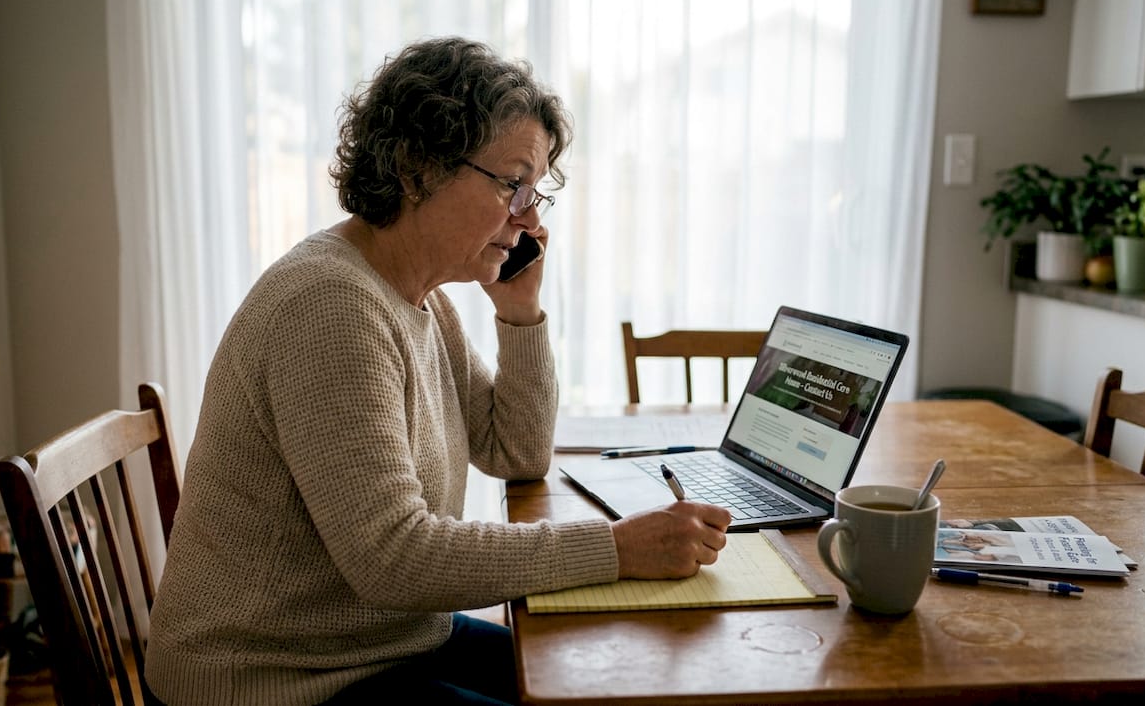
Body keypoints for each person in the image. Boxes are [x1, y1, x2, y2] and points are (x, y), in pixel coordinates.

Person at [144, 36, 732, 706]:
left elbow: (514, 452)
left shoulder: (420, 300)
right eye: (513, 184)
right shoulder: (330, 306)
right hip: (270, 680)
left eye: (536, 192)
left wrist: (519, 312)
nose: (529, 218)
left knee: (596, 681)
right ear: (417, 166)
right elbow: (394, 558)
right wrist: (617, 548)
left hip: (377, 643)